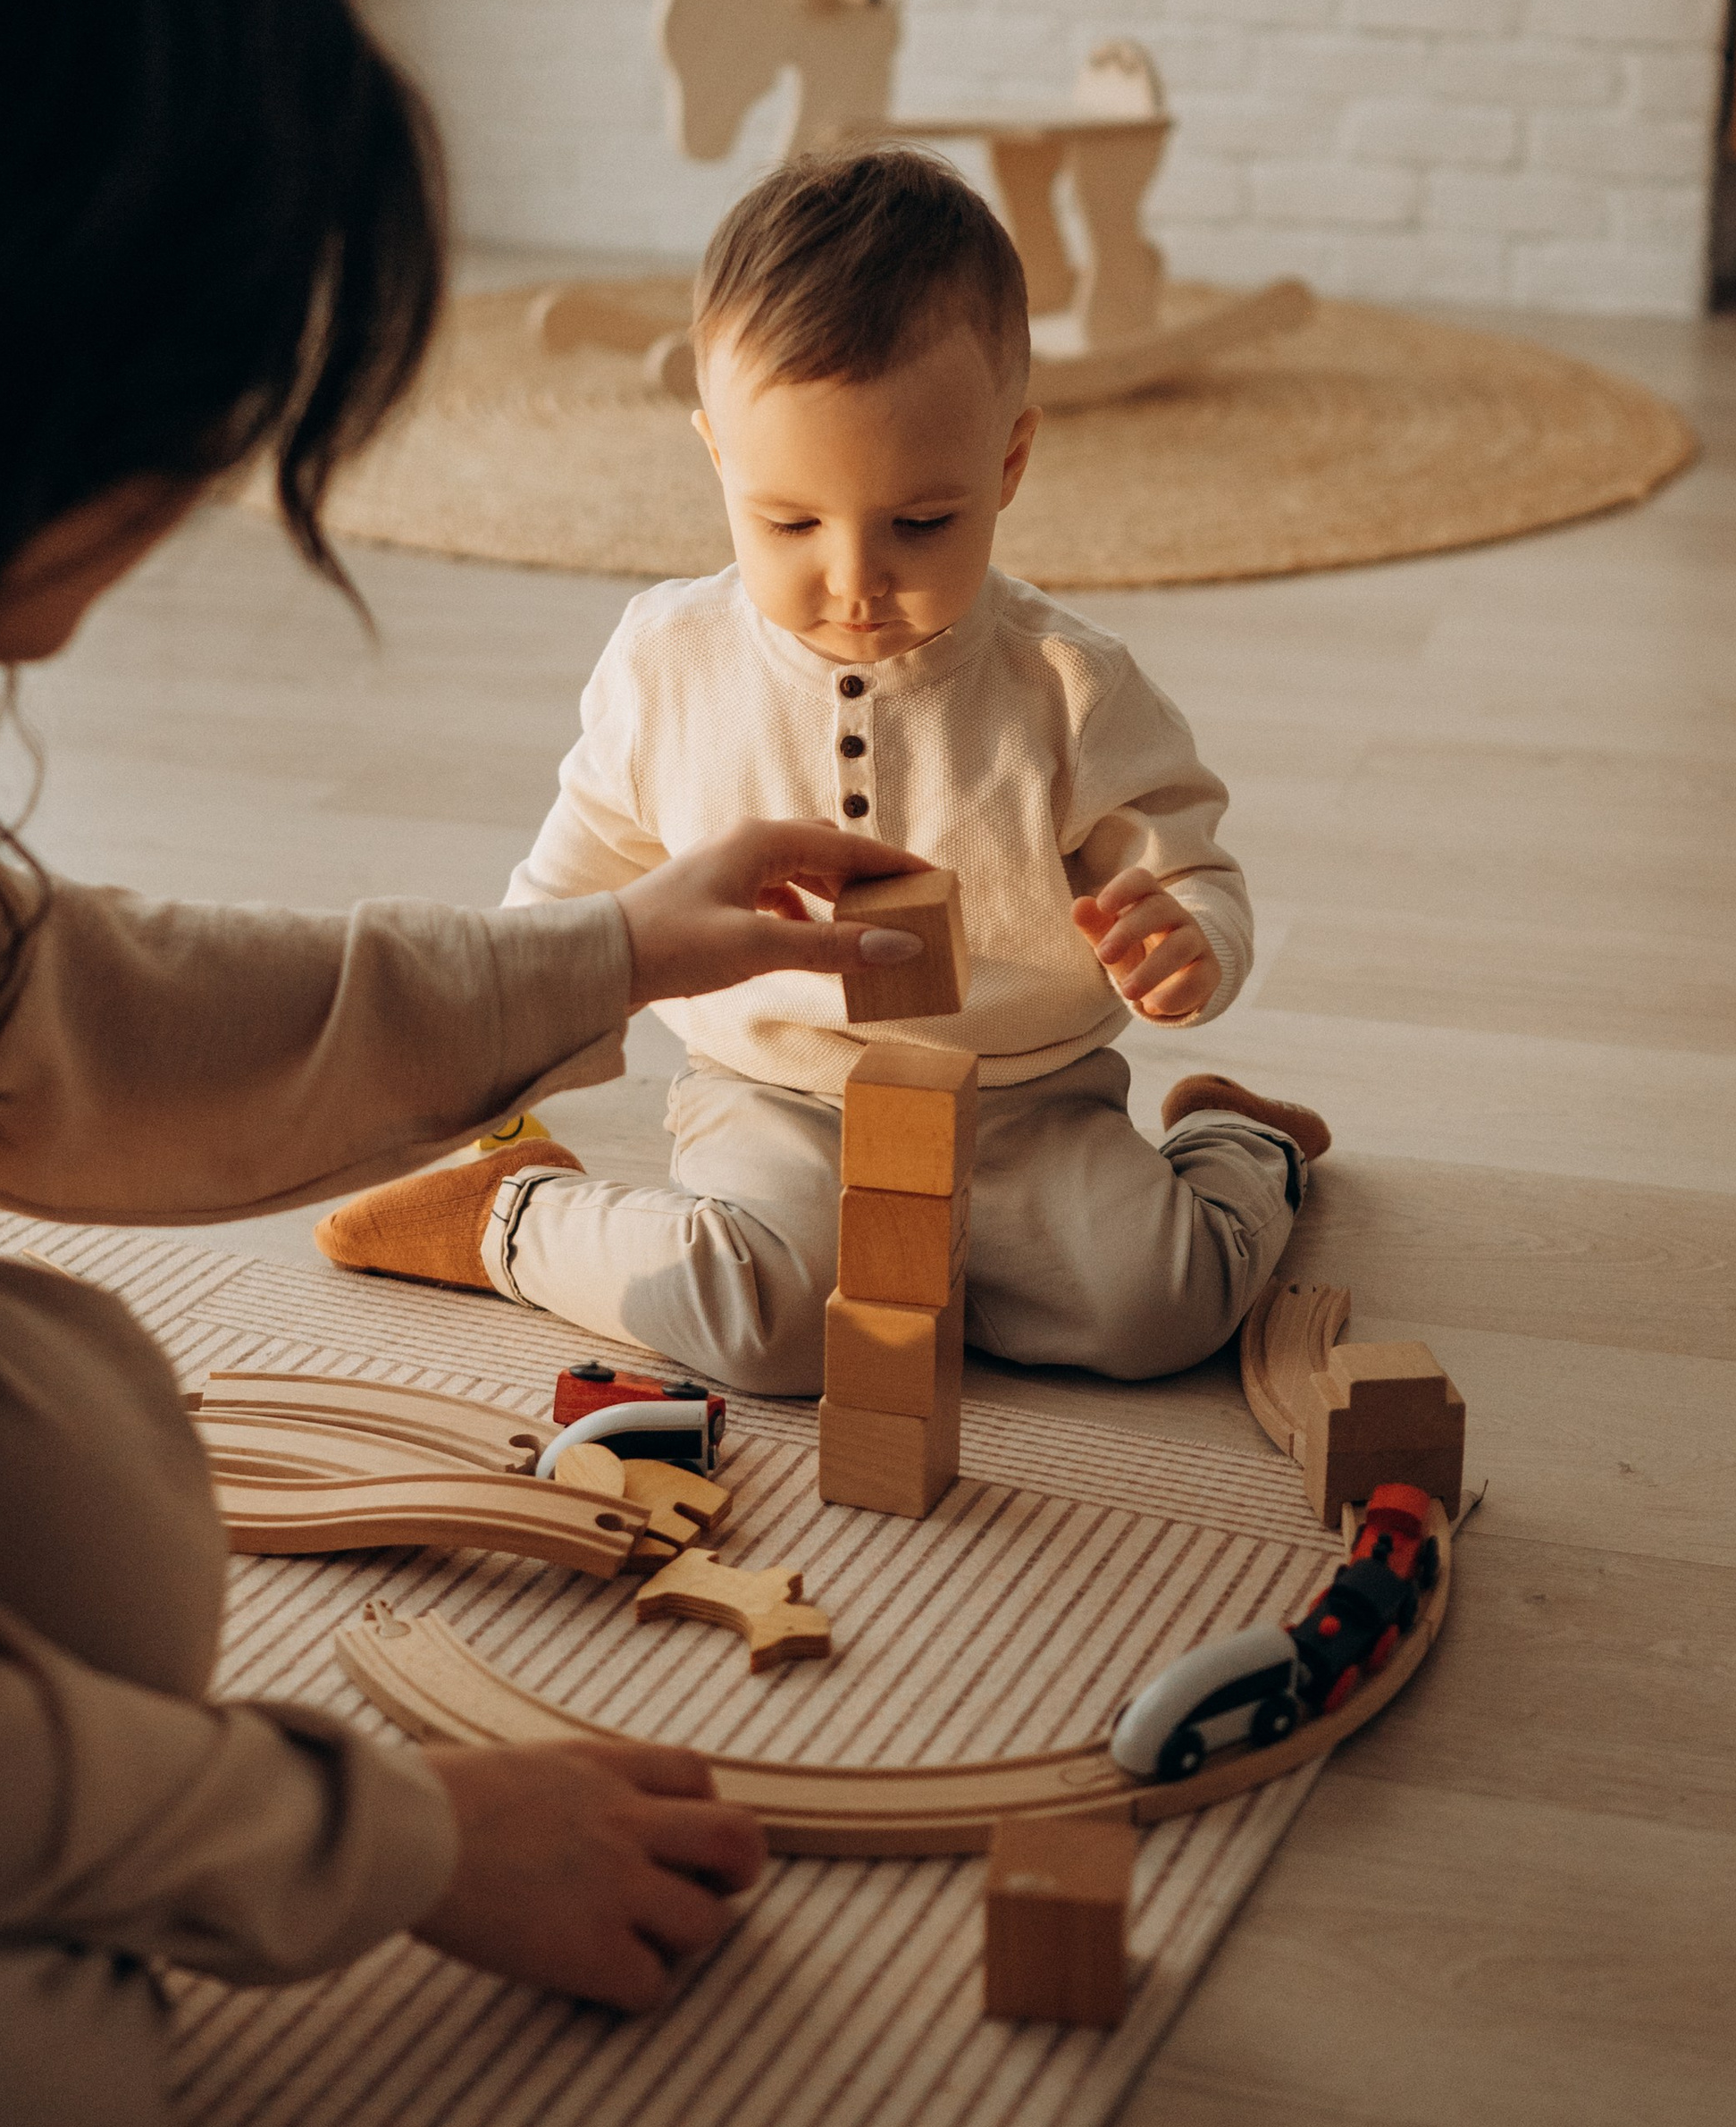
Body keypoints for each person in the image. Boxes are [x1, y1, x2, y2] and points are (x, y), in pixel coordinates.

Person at [0, 0, 929, 2127]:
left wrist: (615, 954)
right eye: (212, 410)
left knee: (93, 1466)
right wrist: (400, 1837)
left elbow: (15, 1018)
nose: (221, 472)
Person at [323, 147, 1331, 1393]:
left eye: (922, 522)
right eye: (790, 521)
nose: (855, 577)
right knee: (774, 1328)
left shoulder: (1069, 684)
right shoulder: (667, 661)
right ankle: (508, 1221)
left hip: (1022, 1098)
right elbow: (576, 879)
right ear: (718, 459)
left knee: (1156, 1310)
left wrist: (1189, 941)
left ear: (1009, 463)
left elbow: (1185, 860)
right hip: (775, 1093)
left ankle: (1239, 1144)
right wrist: (497, 1034)